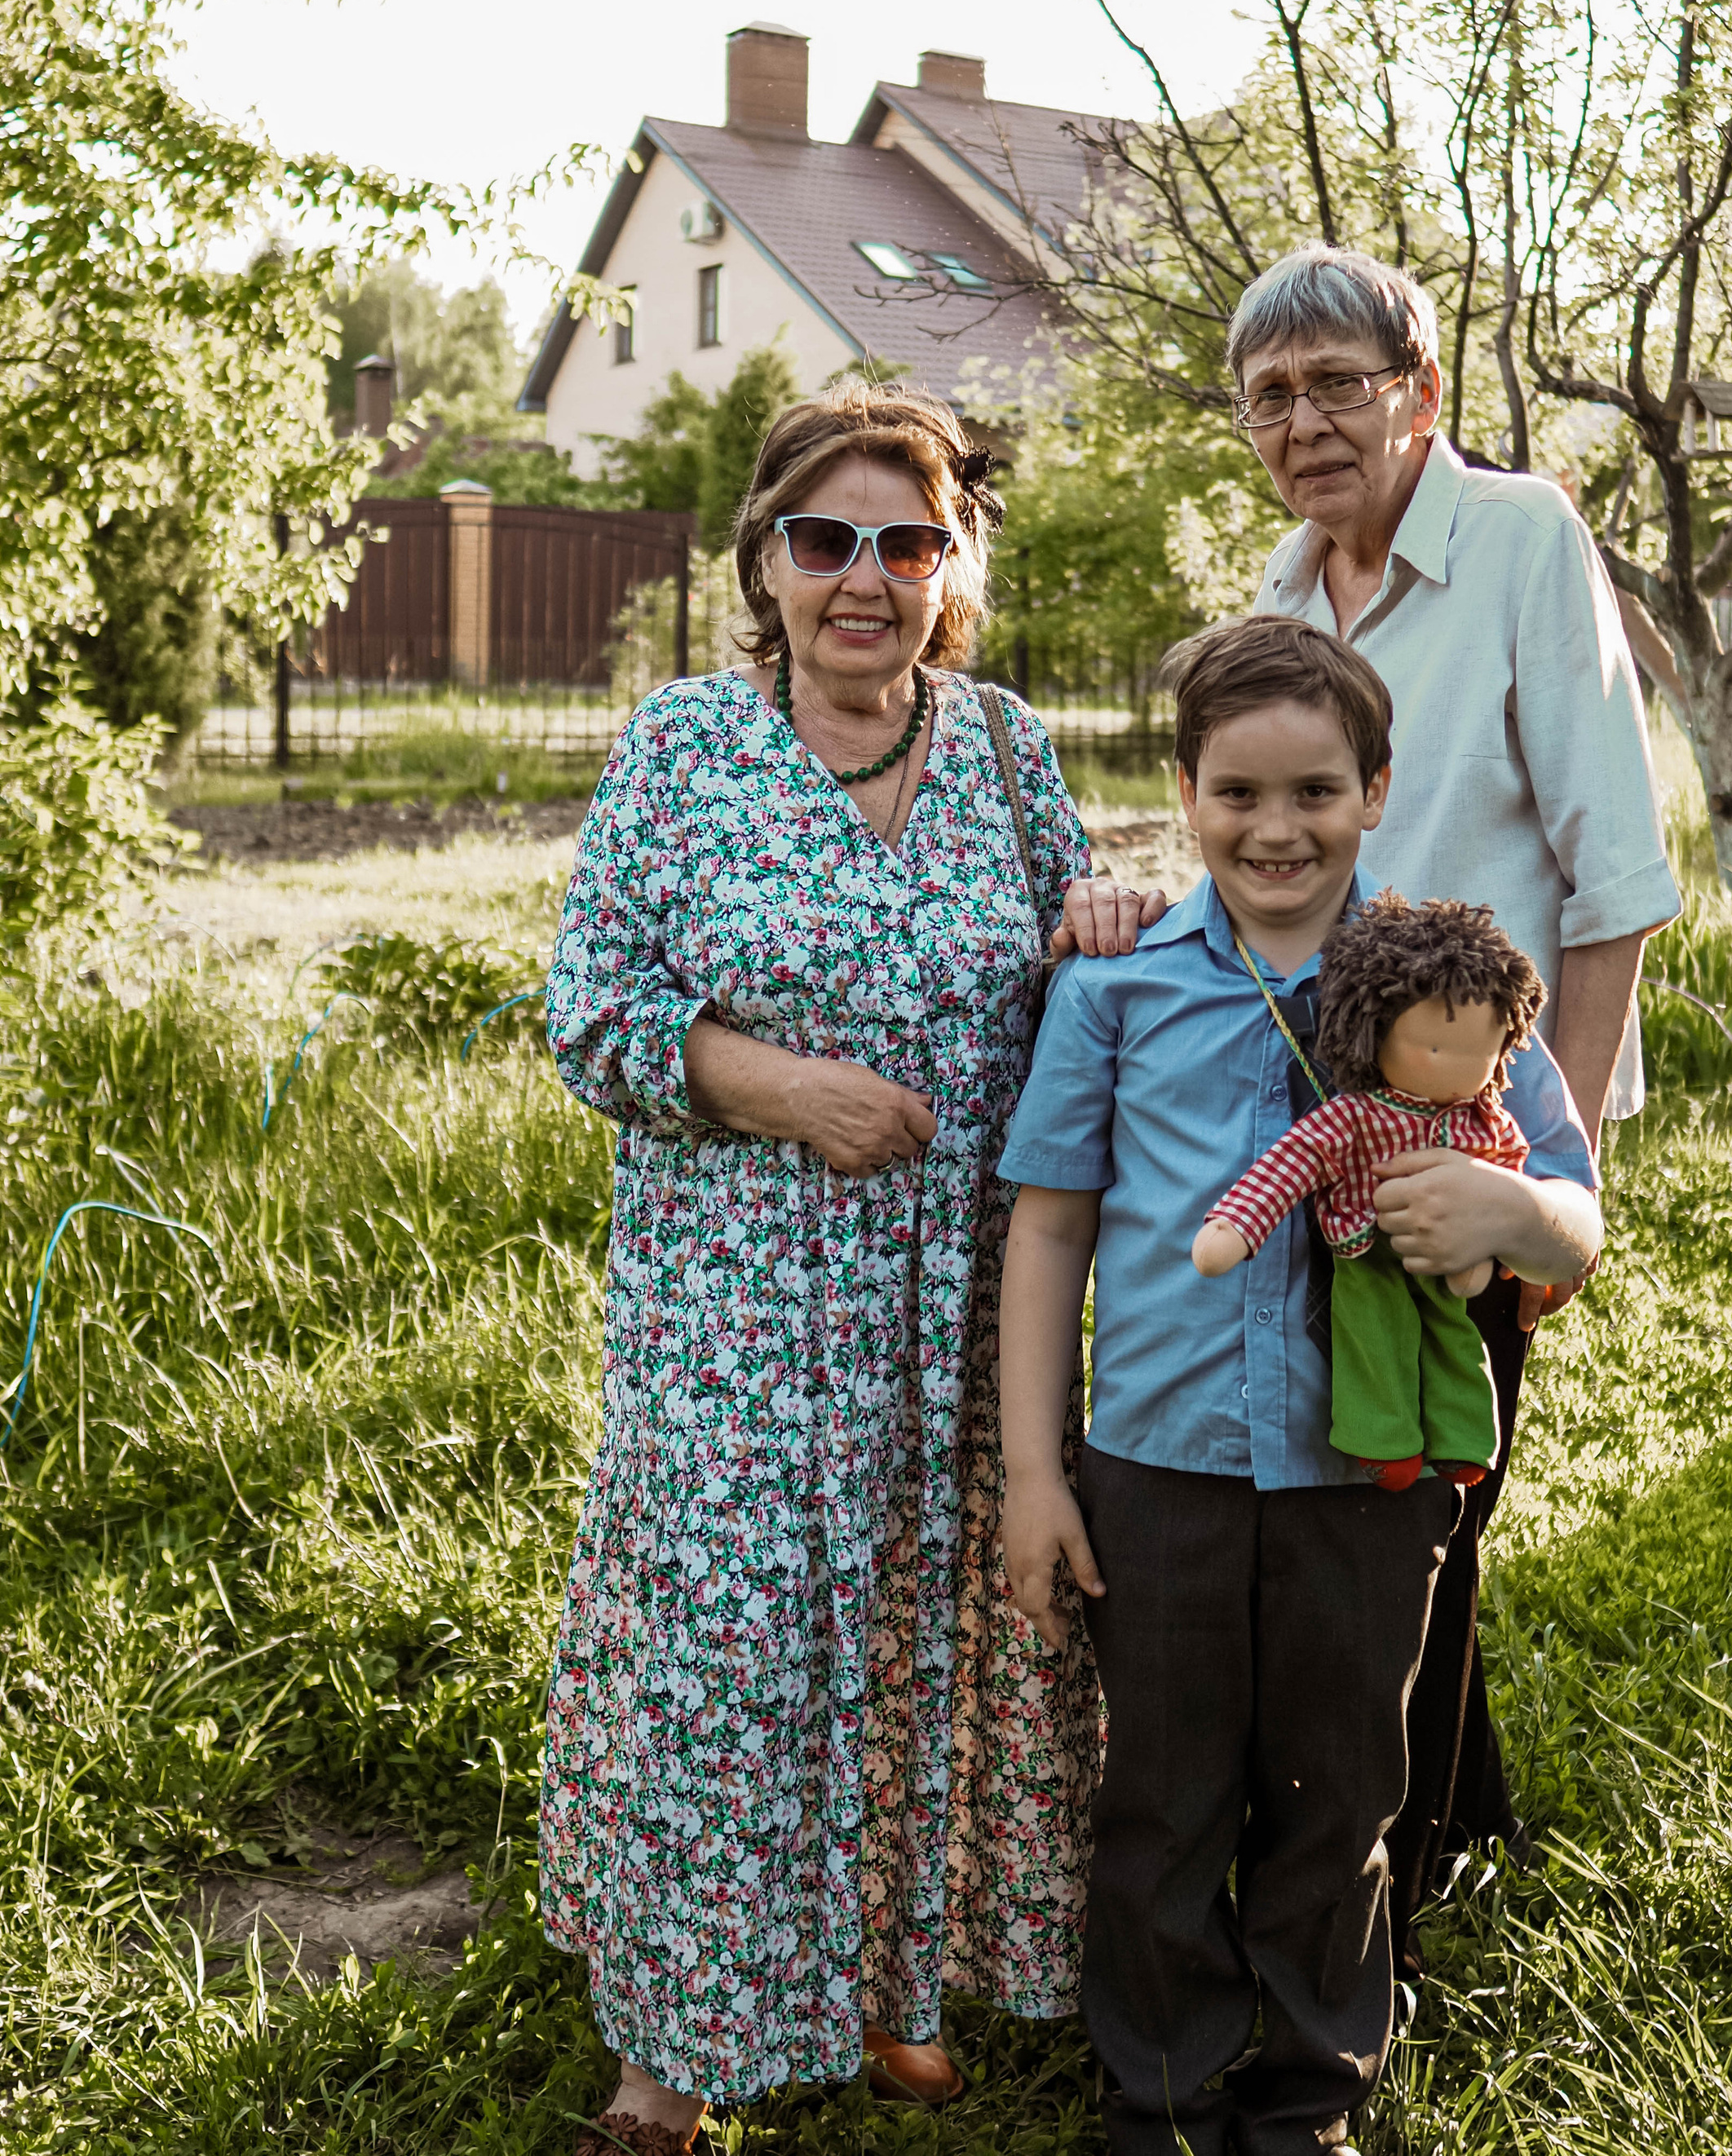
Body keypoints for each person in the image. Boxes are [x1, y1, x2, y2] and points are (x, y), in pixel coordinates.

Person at [541, 380, 1156, 2156]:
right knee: (737, 1648)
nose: (865, 575)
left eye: (908, 538)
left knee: (936, 1630)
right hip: (738, 1305)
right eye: (827, 540)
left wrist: (1098, 916)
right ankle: (670, 2056)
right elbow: (588, 1011)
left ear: (953, 561)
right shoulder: (677, 745)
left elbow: (1068, 961)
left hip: (968, 1305)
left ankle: (892, 1988)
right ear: (768, 557)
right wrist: (780, 1086)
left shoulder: (1003, 748)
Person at [997, 616, 1602, 2156]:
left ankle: (1312, 2087)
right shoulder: (1113, 991)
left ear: (1379, 788)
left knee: (1343, 1791)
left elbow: (1580, 1211)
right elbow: (1053, 1223)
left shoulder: (1460, 986)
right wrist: (1035, 1472)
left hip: (1369, 1475)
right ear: (1186, 790)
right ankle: (1161, 2084)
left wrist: (1518, 1218)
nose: (1279, 829)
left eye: (1317, 790)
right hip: (1159, 1457)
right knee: (1163, 1793)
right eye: (1240, 792)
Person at [1232, 244, 1680, 1950]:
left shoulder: (1514, 539)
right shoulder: (1280, 588)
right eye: (1270, 394)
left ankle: (1385, 1891)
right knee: (1395, 1485)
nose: (1305, 420)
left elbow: (1613, 875)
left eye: (1340, 379)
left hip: (1480, 1126)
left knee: (1413, 1500)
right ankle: (1457, 1810)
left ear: (1419, 390)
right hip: (1336, 1135)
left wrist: (1548, 1173)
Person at [1191, 894, 1549, 1491]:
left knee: (1454, 1334)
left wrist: (1504, 1228)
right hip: (1365, 1245)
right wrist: (1236, 1225)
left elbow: (1512, 1169)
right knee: (1372, 1335)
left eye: (1476, 1051)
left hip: (1452, 1250)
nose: (1455, 1066)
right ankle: (1384, 1442)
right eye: (1433, 1047)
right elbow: (1289, 1166)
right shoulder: (1354, 1116)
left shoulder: (1483, 1117)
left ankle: (1462, 1437)